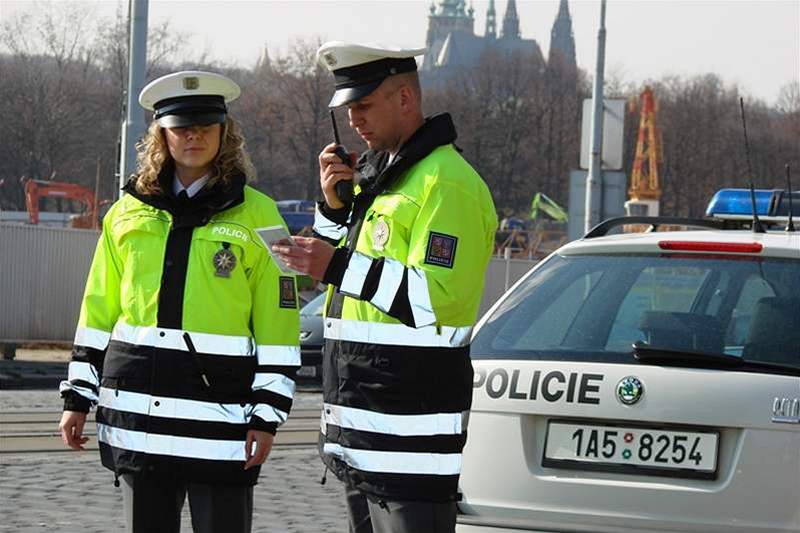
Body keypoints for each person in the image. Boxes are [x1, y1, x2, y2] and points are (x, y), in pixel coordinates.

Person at [58, 70, 300, 533]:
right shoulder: (126, 214)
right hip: (139, 422)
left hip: (221, 426)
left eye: (205, 126)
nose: (193, 136)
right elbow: (98, 312)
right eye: (181, 127)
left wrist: (267, 416)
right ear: (161, 134)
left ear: (224, 133)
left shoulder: (261, 215)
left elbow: (279, 324)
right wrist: (77, 397)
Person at [272, 42, 498, 533]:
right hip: (366, 426)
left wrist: (335, 264)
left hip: (410, 433)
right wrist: (333, 212)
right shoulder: (385, 180)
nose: (354, 119)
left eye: (364, 105)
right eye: (348, 109)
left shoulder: (446, 183)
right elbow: (341, 288)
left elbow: (436, 297)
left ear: (404, 99)